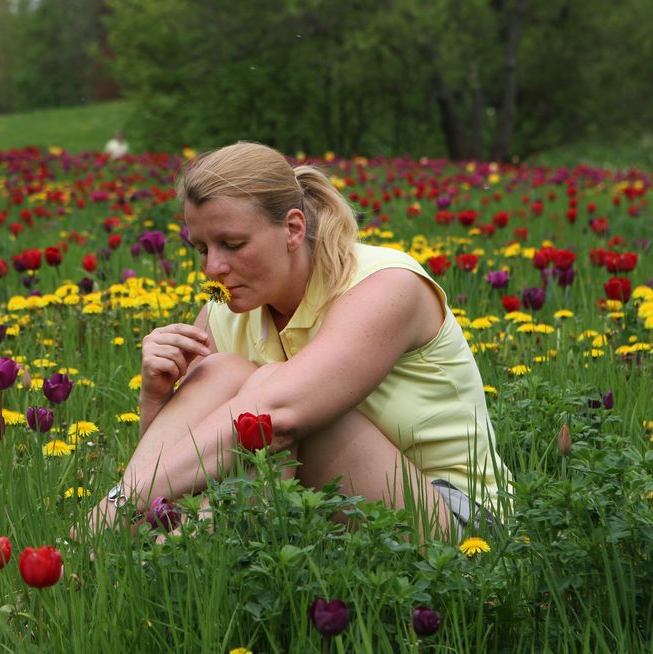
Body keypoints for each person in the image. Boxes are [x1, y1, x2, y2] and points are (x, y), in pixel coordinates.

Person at [89, 141, 510, 539]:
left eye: (232, 245)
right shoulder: (224, 312)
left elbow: (280, 414)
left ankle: (156, 549)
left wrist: (113, 508)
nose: (212, 267)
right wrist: (155, 398)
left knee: (277, 409)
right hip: (327, 521)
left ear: (293, 229)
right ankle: (122, 554)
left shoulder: (386, 285)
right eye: (201, 248)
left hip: (458, 523)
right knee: (222, 372)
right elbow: (186, 463)